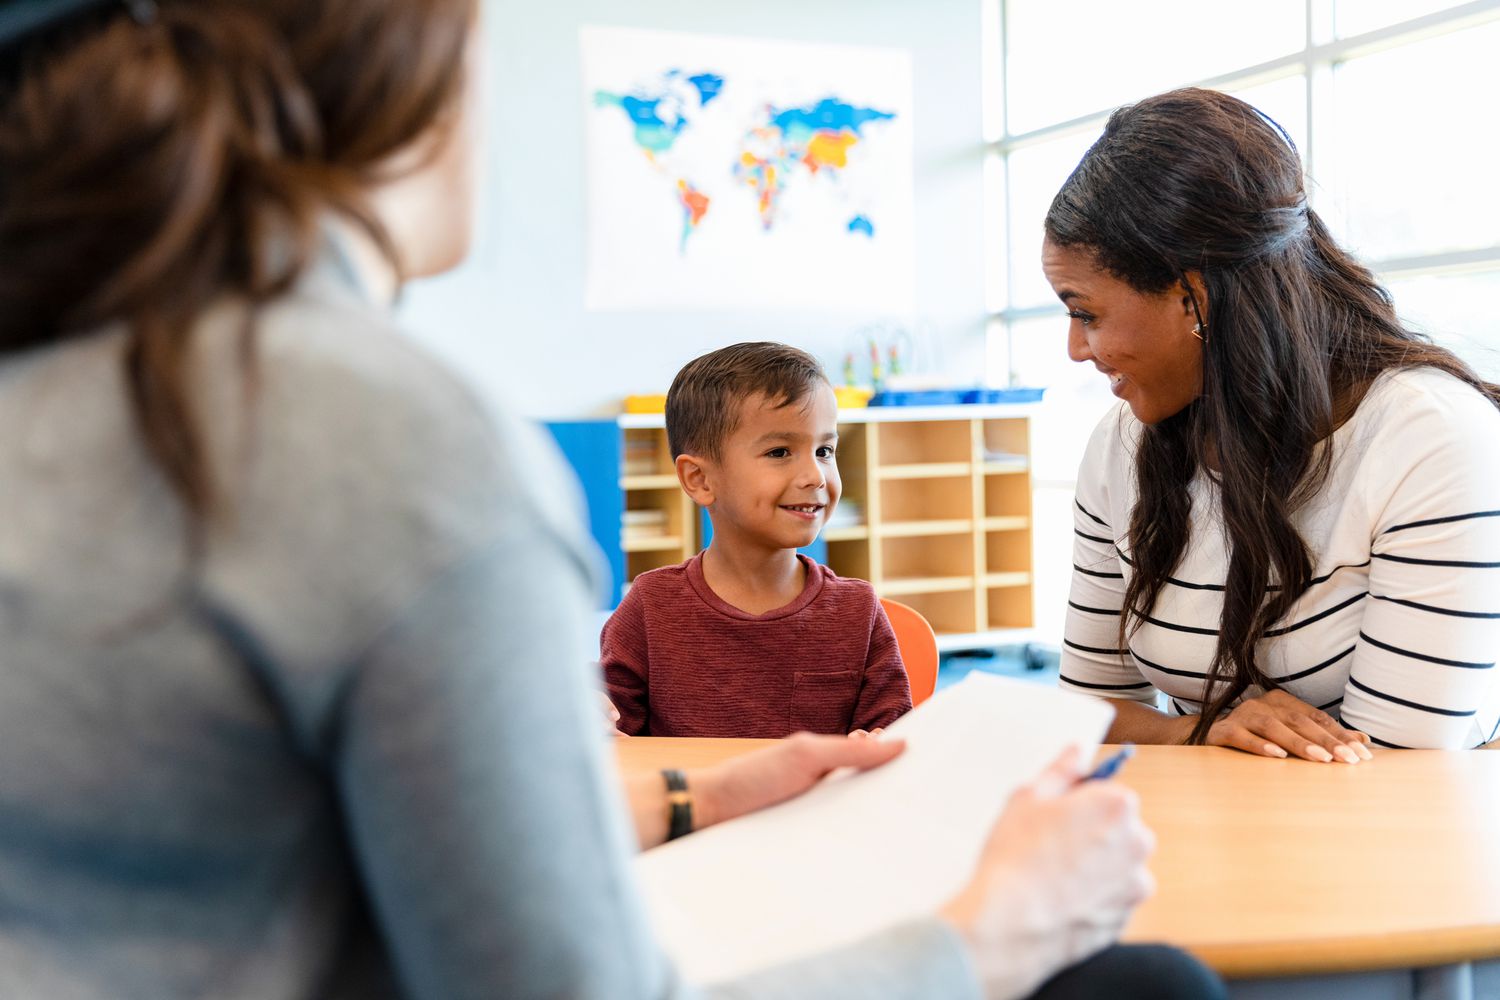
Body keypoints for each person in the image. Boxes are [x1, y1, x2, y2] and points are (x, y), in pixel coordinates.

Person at [0, 2, 1226, 998]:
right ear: (425, 83)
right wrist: (990, 934)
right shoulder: (402, 446)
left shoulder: (55, 376)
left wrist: (696, 789)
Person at [1044, 87, 1500, 756]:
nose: (1077, 349)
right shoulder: (1122, 445)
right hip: (1215, 832)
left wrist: (1196, 746)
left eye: (1086, 313)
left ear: (1191, 296)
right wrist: (1200, 731)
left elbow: (1399, 766)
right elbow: (1087, 711)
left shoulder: (1429, 438)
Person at [602, 342, 912, 738]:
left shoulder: (856, 611)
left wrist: (877, 742)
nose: (815, 475)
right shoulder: (652, 606)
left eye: (824, 450)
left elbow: (894, 737)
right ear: (699, 479)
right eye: (780, 451)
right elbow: (609, 736)